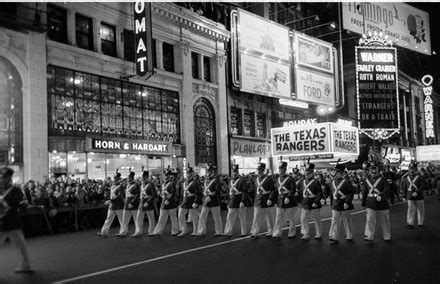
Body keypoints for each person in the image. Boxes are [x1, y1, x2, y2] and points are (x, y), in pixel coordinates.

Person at [0, 167, 32, 273]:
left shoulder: (16, 190)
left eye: (4, 177)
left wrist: (11, 205)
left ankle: (25, 264)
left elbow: (22, 205)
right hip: (1, 223)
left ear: (9, 178)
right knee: (20, 245)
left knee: (20, 246)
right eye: (1, 177)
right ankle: (25, 264)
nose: (2, 179)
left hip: (12, 222)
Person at [362, 163, 391, 244]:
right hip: (370, 203)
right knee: (370, 220)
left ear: (378, 170)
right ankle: (369, 236)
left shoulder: (383, 179)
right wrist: (363, 203)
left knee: (385, 221)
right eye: (372, 169)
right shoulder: (366, 181)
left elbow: (387, 189)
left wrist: (381, 195)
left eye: (375, 169)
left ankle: (387, 236)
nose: (373, 170)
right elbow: (364, 192)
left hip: (382, 203)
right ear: (369, 170)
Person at [272, 162, 299, 239]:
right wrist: (273, 200)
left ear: (285, 169)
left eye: (282, 169)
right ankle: (277, 233)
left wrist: (289, 197)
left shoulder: (290, 179)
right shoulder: (277, 179)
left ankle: (292, 233)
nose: (280, 170)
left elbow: (293, 189)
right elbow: (276, 191)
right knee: (278, 218)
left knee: (290, 218)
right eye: (279, 169)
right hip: (280, 201)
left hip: (289, 201)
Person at [328, 164, 355, 244]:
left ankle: (349, 235)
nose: (333, 173)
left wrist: (347, 201)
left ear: (340, 173)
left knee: (346, 220)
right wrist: (331, 204)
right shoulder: (332, 182)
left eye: (335, 171)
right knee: (334, 220)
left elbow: (351, 193)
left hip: (344, 203)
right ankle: (334, 236)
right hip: (335, 204)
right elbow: (331, 194)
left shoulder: (346, 181)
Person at [250, 162, 276, 238]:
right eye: (258, 169)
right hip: (258, 201)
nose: (259, 171)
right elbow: (255, 191)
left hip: (267, 200)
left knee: (269, 218)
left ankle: (271, 231)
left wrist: (270, 199)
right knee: (256, 217)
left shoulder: (269, 179)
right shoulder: (256, 179)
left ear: (263, 170)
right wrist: (254, 200)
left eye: (260, 169)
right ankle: (255, 232)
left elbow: (273, 190)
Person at [196, 165, 223, 236]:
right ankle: (201, 231)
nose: (208, 172)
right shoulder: (205, 180)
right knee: (202, 216)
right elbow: (203, 189)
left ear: (212, 171)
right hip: (206, 201)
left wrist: (213, 193)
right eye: (207, 171)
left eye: (210, 171)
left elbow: (218, 189)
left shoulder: (216, 179)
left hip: (214, 201)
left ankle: (219, 231)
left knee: (216, 217)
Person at [152, 168, 179, 236]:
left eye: (167, 175)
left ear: (170, 176)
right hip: (164, 202)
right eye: (165, 175)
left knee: (173, 218)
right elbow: (163, 193)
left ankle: (175, 231)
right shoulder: (163, 184)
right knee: (161, 218)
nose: (166, 176)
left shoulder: (172, 183)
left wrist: (168, 199)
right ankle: (158, 231)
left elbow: (173, 193)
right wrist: (159, 193)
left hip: (171, 202)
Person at [299, 163, 323, 241]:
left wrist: (316, 201)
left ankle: (318, 233)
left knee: (316, 219)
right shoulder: (303, 182)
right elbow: (301, 192)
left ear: (312, 172)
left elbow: (319, 193)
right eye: (306, 172)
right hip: (305, 203)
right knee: (304, 219)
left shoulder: (316, 182)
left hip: (314, 203)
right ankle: (305, 234)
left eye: (308, 172)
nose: (306, 174)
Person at [224, 164, 249, 237]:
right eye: (233, 171)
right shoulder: (230, 181)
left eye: (235, 171)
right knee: (230, 217)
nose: (234, 173)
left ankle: (244, 232)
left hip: (240, 201)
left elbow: (244, 191)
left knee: (242, 218)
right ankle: (228, 232)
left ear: (238, 171)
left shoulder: (242, 180)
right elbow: (230, 192)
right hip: (232, 201)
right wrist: (228, 202)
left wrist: (243, 201)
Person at [98, 171, 124, 237]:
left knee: (121, 220)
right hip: (112, 206)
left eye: (115, 178)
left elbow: (119, 196)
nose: (114, 179)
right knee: (108, 219)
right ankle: (104, 232)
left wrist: (110, 201)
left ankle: (123, 232)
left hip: (118, 205)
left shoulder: (120, 187)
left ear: (118, 179)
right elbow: (111, 196)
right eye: (114, 178)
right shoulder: (112, 187)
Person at [178, 167, 202, 236]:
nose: (188, 174)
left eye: (189, 173)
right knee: (180, 216)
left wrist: (195, 202)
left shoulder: (195, 182)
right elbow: (182, 194)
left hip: (192, 201)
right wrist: (180, 202)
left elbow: (198, 193)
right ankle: (184, 229)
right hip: (184, 201)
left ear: (192, 173)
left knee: (194, 218)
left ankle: (196, 230)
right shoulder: (184, 183)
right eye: (187, 173)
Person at [132, 170, 157, 237]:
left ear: (146, 176)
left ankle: (151, 231)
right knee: (138, 218)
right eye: (142, 176)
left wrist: (148, 202)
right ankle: (138, 231)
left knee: (151, 218)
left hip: (148, 203)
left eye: (143, 176)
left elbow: (154, 194)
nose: (142, 177)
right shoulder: (142, 184)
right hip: (142, 202)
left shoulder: (150, 184)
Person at [117, 171, 141, 237]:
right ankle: (123, 232)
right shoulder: (128, 185)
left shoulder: (136, 185)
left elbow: (137, 195)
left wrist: (132, 202)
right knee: (124, 219)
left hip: (134, 204)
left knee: (136, 219)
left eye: (129, 178)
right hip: (127, 203)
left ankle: (138, 231)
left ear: (132, 177)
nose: (128, 179)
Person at [402, 162, 425, 227]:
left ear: (415, 169)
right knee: (410, 210)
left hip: (419, 196)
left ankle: (420, 223)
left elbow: (423, 186)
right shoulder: (406, 177)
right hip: (410, 196)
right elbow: (405, 187)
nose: (411, 170)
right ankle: (410, 223)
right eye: (410, 168)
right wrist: (404, 195)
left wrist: (417, 192)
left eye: (413, 168)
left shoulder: (420, 177)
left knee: (420, 210)